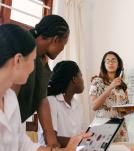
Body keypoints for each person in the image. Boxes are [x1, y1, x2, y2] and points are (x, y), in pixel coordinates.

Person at [0, 24, 89, 151]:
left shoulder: (10, 99)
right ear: (18, 60)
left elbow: (25, 146)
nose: (34, 68)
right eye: (32, 61)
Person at [11, 15, 70, 147]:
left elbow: (42, 99)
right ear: (55, 40)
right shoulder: (23, 49)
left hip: (12, 128)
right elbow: (10, 99)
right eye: (63, 45)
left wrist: (52, 142)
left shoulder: (42, 60)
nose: (62, 49)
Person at [38, 61, 87, 147]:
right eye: (81, 76)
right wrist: (80, 140)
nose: (83, 80)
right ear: (74, 79)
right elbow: (50, 140)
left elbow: (81, 135)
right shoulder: (51, 101)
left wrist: (84, 140)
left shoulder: (77, 104)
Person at [89, 51, 129, 142]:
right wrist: (110, 87)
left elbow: (123, 110)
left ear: (118, 64)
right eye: (107, 61)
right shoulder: (97, 81)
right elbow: (94, 106)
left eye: (114, 60)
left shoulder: (123, 85)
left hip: (120, 128)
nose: (110, 63)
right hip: (103, 126)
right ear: (104, 65)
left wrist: (130, 110)